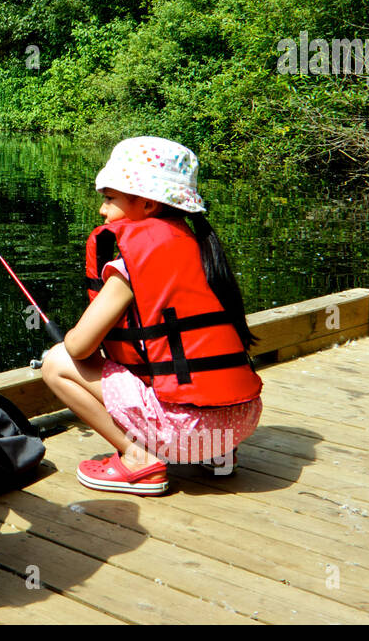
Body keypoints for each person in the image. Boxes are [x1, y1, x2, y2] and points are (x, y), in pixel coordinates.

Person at [40, 136, 263, 495]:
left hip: (187, 431)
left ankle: (137, 461)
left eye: (109, 198)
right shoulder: (202, 249)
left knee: (57, 361)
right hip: (240, 421)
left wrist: (69, 341)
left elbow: (79, 348)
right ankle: (218, 454)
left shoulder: (129, 265)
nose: (102, 210)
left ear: (145, 203)